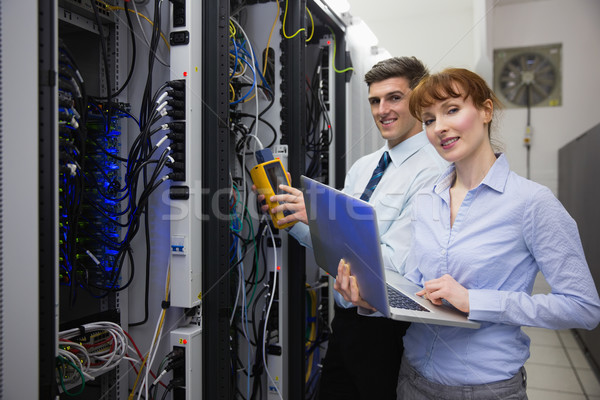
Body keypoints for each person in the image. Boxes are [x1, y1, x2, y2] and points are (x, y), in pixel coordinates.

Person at [336, 67, 600, 399]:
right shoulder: (426, 198)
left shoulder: (531, 203)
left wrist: (475, 301)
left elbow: (583, 307)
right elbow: (417, 283)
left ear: (486, 110)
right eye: (429, 120)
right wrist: (373, 300)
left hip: (485, 388)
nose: (439, 128)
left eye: (452, 110)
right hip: (412, 378)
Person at [261, 57, 447, 400]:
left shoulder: (434, 171)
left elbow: (397, 265)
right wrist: (295, 220)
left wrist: (319, 217)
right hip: (346, 322)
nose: (382, 110)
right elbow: (335, 249)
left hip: (390, 330)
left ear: (420, 101)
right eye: (375, 100)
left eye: (394, 98)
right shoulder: (365, 166)